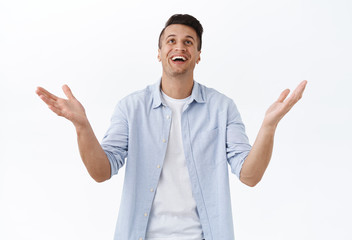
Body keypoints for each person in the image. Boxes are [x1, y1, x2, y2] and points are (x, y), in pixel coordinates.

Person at [36, 14, 307, 240]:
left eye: (189, 42)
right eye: (171, 41)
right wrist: (82, 126)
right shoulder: (131, 107)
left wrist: (269, 126)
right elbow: (101, 172)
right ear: (159, 53)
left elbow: (249, 176)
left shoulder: (222, 108)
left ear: (198, 55)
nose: (180, 47)